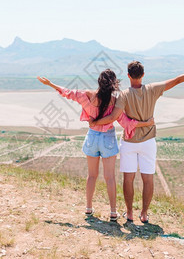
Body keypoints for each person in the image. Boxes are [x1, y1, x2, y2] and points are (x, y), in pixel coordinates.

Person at [90, 61, 184, 223]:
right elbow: (177, 80)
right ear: (143, 75)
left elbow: (113, 117)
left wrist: (94, 122)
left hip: (129, 142)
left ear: (128, 76)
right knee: (148, 178)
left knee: (128, 179)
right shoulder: (152, 89)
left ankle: (129, 213)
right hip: (148, 141)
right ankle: (144, 213)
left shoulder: (123, 95)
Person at [37, 69, 155, 221]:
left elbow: (68, 93)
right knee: (110, 178)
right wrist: (146, 123)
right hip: (108, 139)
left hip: (92, 137)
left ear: (99, 82)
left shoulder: (86, 95)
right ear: (113, 83)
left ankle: (88, 208)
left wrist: (50, 84)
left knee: (91, 176)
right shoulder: (115, 100)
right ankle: (113, 212)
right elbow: (126, 122)